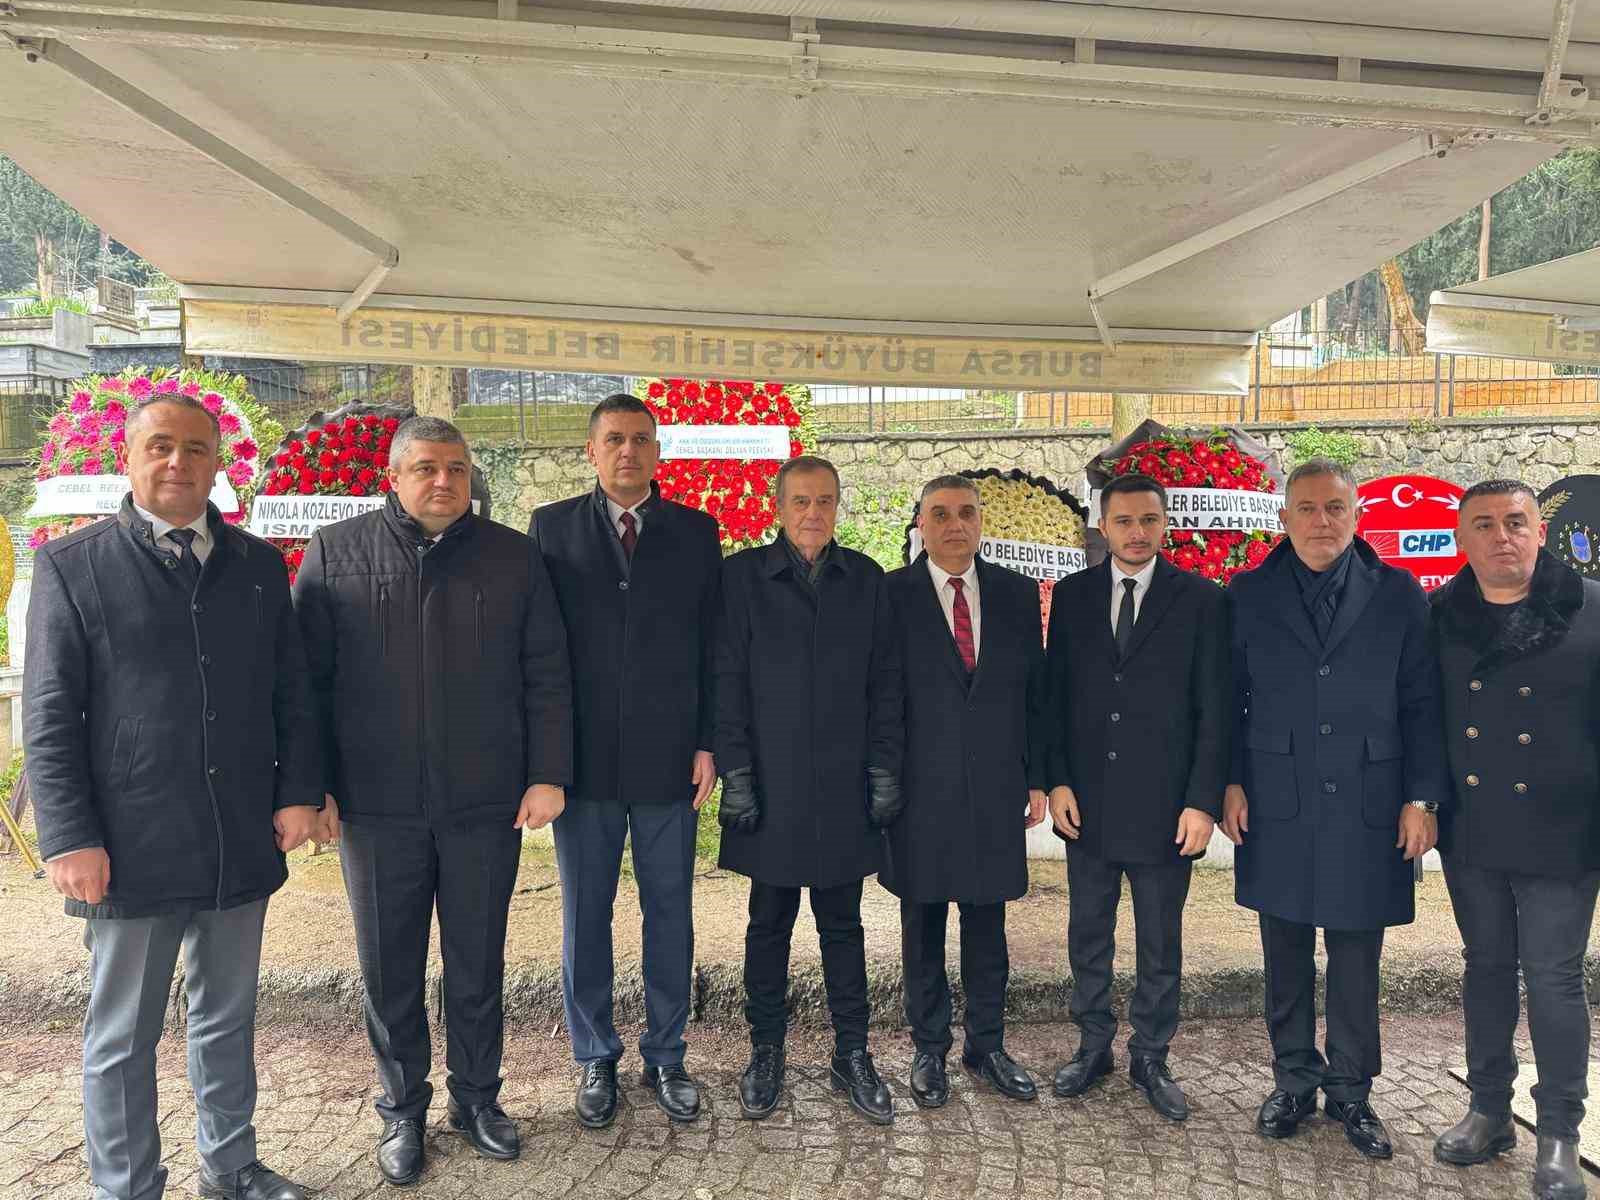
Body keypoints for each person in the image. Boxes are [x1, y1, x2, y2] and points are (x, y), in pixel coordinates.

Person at [25, 393, 321, 1200]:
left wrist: (300, 792)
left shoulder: (257, 566)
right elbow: (48, 714)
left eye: (195, 449)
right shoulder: (72, 566)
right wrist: (67, 836)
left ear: (218, 464)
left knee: (227, 1018)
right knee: (123, 1033)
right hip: (128, 844)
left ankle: (231, 1168)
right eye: (160, 445)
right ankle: (126, 1186)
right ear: (126, 457)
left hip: (237, 834)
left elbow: (292, 693)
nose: (177, 463)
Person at [294, 416, 572, 1188]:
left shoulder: (513, 557)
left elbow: (547, 671)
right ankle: (401, 1109)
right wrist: (311, 787)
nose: (443, 481)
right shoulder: (336, 553)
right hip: (375, 806)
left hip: (485, 801)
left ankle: (477, 1098)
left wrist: (548, 773)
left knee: (478, 960)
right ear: (394, 475)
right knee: (389, 968)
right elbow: (306, 686)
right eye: (425, 467)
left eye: (455, 467)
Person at [1222, 458, 1448, 1161]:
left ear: (1358, 515)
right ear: (1284, 518)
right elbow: (1228, 699)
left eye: (1335, 508)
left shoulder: (1399, 593)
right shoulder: (1248, 593)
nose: (1322, 521)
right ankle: (1292, 1080)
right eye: (1307, 508)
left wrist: (1421, 798)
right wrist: (1229, 783)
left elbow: (1423, 703)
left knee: (1356, 956)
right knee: (1284, 950)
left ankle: (1351, 1089)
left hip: (1369, 800)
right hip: (1276, 796)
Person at [528, 393, 721, 1128]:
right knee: (586, 914)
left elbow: (713, 646)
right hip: (583, 766)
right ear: (592, 450)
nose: (628, 451)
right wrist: (546, 760)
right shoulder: (550, 529)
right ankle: (595, 1054)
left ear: (657, 451)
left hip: (671, 760)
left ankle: (667, 1052)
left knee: (670, 910)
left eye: (641, 439)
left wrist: (709, 741)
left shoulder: (696, 532)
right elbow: (539, 649)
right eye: (614, 439)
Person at [715, 454, 905, 1125]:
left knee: (843, 926)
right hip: (770, 785)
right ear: (778, 508)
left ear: (837, 506)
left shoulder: (867, 579)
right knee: (767, 925)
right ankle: (765, 1050)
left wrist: (884, 768)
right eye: (800, 501)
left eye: (824, 501)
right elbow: (726, 681)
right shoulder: (742, 577)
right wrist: (736, 774)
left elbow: (886, 684)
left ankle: (852, 1052)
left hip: (844, 787)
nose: (813, 513)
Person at [1430, 479, 1600, 1200]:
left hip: (1565, 829)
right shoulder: (1439, 615)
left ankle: (1559, 1133)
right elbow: (1422, 718)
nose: (1502, 536)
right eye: (1484, 524)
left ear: (1540, 530)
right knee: (1486, 968)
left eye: (1515, 522)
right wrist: (1423, 801)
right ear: (1461, 539)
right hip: (1473, 826)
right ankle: (1489, 1110)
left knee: (1554, 977)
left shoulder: (1591, 607)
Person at [1044, 473, 1230, 1121]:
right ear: (1103, 526)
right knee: (1088, 934)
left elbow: (1215, 710)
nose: (1137, 532)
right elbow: (1055, 698)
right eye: (1124, 521)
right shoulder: (1073, 597)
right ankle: (1093, 1044)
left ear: (1165, 523)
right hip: (1087, 805)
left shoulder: (1202, 600)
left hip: (1166, 809)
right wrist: (1057, 779)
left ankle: (1151, 1054)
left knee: (1160, 941)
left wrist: (1202, 801)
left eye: (1149, 520)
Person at [881, 475, 1048, 1108]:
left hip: (995, 789)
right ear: (920, 525)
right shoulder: (891, 595)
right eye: (941, 514)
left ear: (981, 521)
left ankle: (987, 1045)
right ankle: (929, 1049)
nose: (955, 524)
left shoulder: (1014, 593)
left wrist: (1036, 776)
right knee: (922, 925)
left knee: (988, 925)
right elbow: (879, 699)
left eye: (967, 513)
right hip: (919, 793)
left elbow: (1034, 693)